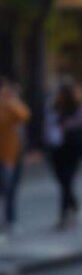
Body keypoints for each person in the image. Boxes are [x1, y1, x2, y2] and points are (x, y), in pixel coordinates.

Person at [45, 79, 82, 229]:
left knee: (67, 182)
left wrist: (67, 125)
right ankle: (73, 203)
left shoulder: (77, 108)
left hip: (71, 150)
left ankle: (64, 215)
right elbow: (47, 125)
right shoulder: (53, 107)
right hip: (56, 149)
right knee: (63, 181)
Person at [0, 78, 31, 230]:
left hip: (14, 154)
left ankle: (10, 219)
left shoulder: (12, 105)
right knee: (6, 188)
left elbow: (25, 115)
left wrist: (12, 102)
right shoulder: (4, 107)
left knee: (11, 189)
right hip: (5, 155)